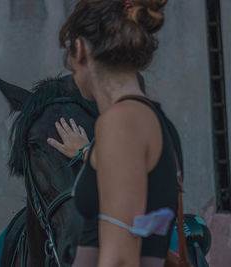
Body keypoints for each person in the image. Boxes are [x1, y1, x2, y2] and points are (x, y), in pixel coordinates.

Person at [46, 0, 181, 266]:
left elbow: (119, 259)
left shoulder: (123, 122)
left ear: (80, 49)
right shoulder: (147, 119)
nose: (72, 74)